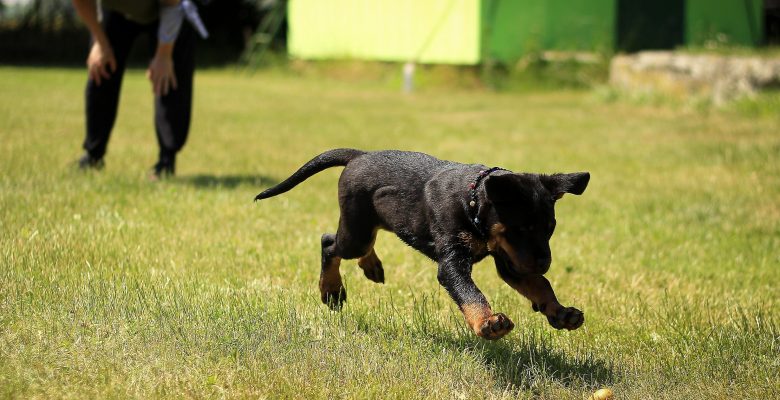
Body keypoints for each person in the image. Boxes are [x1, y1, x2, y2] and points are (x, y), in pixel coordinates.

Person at [73, 0, 196, 179]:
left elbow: (173, 5)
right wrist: (100, 42)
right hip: (115, 11)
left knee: (169, 79)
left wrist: (164, 54)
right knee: (101, 68)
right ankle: (93, 155)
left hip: (168, 10)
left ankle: (166, 160)